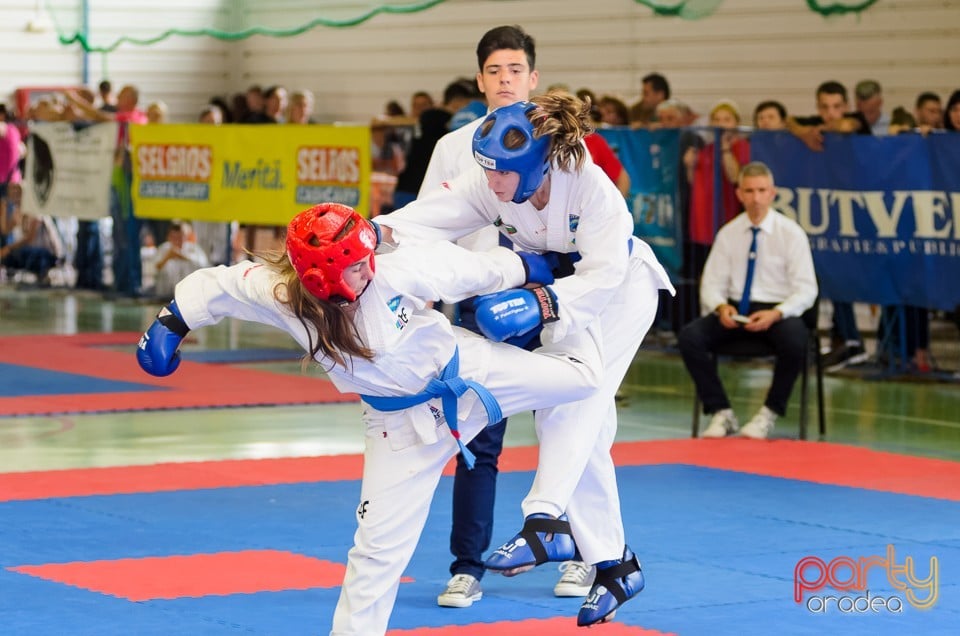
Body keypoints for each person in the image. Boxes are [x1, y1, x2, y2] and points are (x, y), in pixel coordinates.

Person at [136, 202, 602, 635]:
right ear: (320, 278)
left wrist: (534, 270)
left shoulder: (397, 269)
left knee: (585, 381)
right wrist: (173, 321)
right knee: (376, 554)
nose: (370, 267)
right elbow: (219, 286)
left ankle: (561, 513)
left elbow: (471, 270)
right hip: (398, 428)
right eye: (357, 265)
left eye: (367, 257)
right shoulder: (279, 292)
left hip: (470, 374)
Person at [378, 93, 675, 626]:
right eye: (487, 172)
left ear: (538, 164)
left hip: (620, 293)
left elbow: (604, 277)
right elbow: (430, 217)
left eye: (502, 175)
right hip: (564, 294)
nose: (492, 184)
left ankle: (546, 517)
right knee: (588, 426)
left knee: (571, 402)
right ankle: (615, 565)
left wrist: (544, 302)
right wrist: (372, 232)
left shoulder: (594, 190)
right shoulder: (491, 181)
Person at [678, 161, 818, 439]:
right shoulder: (728, 234)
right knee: (689, 337)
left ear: (772, 193)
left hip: (776, 312)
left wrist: (777, 313)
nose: (756, 198)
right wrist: (720, 307)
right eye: (749, 191)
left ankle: (769, 413)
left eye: (762, 190)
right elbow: (711, 283)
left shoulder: (791, 234)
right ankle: (721, 412)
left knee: (795, 341)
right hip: (734, 310)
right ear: (739, 194)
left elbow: (807, 290)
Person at [787, 81, 870, 371]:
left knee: (846, 279)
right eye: (824, 107)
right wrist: (803, 131)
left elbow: (847, 126)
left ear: (845, 105)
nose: (830, 113)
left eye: (836, 106)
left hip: (858, 218)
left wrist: (821, 130)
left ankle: (852, 340)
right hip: (826, 217)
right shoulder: (814, 124)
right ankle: (834, 341)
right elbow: (789, 121)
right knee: (822, 278)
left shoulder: (856, 123)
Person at [151, 221, 210, 298]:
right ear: (168, 237)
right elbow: (154, 270)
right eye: (174, 237)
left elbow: (204, 266)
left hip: (190, 295)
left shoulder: (194, 249)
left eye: (180, 237)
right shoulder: (163, 249)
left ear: (185, 237)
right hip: (165, 295)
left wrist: (183, 257)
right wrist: (167, 258)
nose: (177, 240)